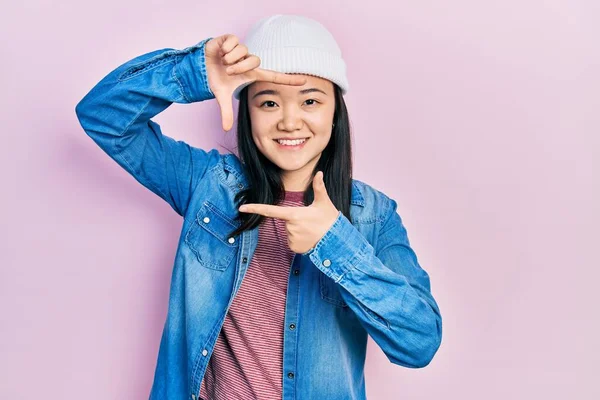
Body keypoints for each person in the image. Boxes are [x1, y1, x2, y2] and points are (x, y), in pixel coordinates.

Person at [75, 14, 442, 400]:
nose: (289, 120)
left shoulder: (374, 216)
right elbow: (104, 117)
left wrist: (335, 244)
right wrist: (195, 72)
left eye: (310, 100)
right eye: (268, 101)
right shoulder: (209, 185)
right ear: (248, 114)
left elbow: (419, 343)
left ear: (335, 112)